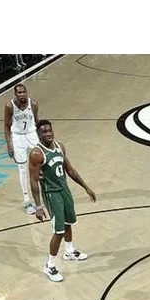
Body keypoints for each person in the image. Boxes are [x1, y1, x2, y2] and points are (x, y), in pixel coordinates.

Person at [28, 120, 96, 282]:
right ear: (38, 135)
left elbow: (70, 170)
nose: (48, 134)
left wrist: (86, 187)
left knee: (68, 222)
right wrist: (38, 206)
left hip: (64, 189)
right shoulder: (36, 154)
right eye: (44, 132)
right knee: (58, 231)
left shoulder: (60, 147)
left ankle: (69, 251)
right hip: (52, 194)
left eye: (49, 131)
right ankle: (49, 265)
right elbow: (33, 180)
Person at [4, 83, 40, 215]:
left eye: (24, 92)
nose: (22, 94)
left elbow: (37, 121)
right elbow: (6, 126)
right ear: (15, 94)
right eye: (19, 92)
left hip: (31, 134)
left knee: (41, 163)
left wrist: (41, 139)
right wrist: (9, 144)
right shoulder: (9, 106)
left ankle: (44, 192)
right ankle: (27, 200)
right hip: (18, 136)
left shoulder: (33, 104)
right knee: (22, 168)